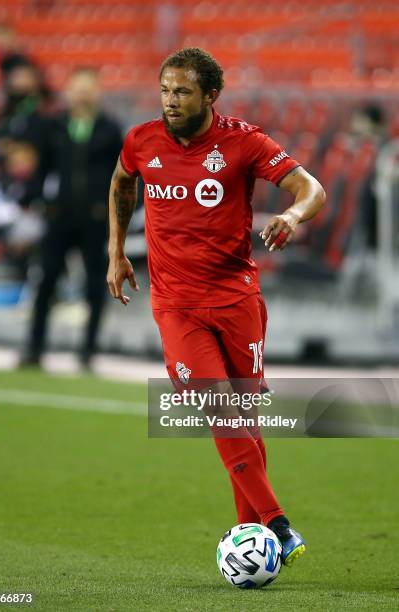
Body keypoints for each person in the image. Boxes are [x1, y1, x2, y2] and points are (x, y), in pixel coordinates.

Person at [107, 48, 325, 566]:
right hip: (177, 303)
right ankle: (280, 526)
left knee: (242, 415)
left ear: (210, 94)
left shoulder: (243, 142)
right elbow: (121, 181)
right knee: (218, 405)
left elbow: (310, 188)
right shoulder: (141, 140)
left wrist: (292, 217)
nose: (170, 101)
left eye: (181, 91)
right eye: (164, 90)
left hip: (236, 300)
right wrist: (116, 252)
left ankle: (254, 539)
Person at [22, 67, 122, 368]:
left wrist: (115, 210)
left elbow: (126, 174)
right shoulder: (54, 126)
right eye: (76, 87)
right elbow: (40, 171)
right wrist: (39, 200)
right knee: (46, 280)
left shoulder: (109, 128)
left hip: (95, 219)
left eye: (88, 87)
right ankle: (34, 349)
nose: (81, 93)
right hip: (59, 216)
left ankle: (88, 352)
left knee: (95, 286)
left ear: (98, 91)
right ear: (68, 90)